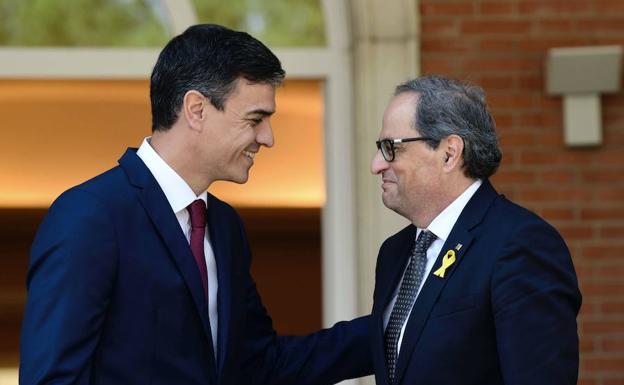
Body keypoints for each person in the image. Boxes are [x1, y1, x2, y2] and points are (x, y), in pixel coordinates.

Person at [20, 24, 371, 385]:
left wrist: (396, 326)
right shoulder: (90, 216)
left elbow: (261, 365)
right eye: (255, 119)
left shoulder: (225, 226)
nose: (267, 138)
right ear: (197, 109)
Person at [368, 75, 581, 385]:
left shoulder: (520, 244)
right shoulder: (396, 252)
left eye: (391, 148)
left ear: (449, 153)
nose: (377, 164)